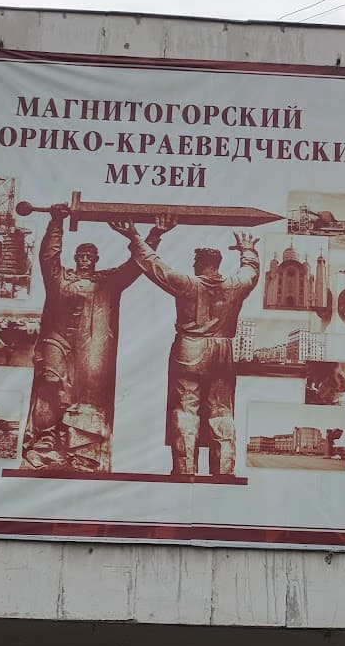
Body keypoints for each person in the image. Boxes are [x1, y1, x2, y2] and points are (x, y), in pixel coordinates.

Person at [112, 216, 260, 477]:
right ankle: (224, 471)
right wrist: (247, 250)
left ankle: (184, 468)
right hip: (223, 351)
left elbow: (153, 265)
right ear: (217, 264)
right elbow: (251, 272)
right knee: (222, 410)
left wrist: (135, 236)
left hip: (189, 349)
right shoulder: (235, 286)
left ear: (200, 264)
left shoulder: (187, 284)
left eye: (195, 262)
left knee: (185, 408)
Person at [24, 203, 164, 472]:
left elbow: (136, 266)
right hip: (57, 340)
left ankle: (83, 448)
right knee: (50, 382)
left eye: (90, 255)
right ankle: (46, 438)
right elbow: (48, 257)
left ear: (96, 258)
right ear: (75, 257)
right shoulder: (60, 278)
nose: (85, 258)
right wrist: (56, 224)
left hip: (92, 345)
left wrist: (155, 235)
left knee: (89, 397)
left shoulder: (109, 281)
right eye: (81, 254)